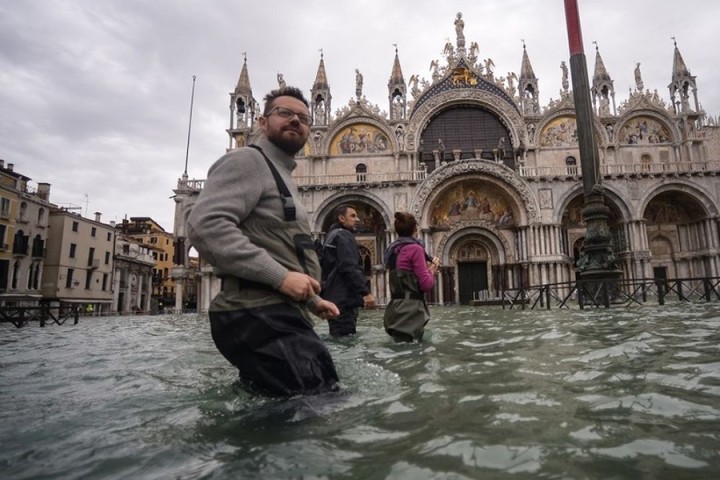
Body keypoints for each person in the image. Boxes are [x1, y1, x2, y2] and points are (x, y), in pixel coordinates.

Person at [186, 86, 341, 397]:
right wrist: (281, 278)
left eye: (303, 117)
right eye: (284, 113)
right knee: (318, 407)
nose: (295, 121)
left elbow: (282, 247)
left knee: (284, 408)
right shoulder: (248, 161)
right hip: (258, 314)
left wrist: (311, 300)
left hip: (274, 313)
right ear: (261, 121)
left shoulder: (281, 174)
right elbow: (205, 226)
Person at [320, 205, 376, 337]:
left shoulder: (331, 236)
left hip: (333, 299)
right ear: (341, 218)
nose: (357, 219)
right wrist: (365, 292)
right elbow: (349, 267)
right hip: (343, 300)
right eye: (353, 216)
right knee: (345, 340)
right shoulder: (344, 235)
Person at [383, 212, 439, 343]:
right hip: (411, 313)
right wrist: (432, 270)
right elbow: (426, 285)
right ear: (415, 229)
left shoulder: (392, 250)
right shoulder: (415, 249)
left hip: (394, 311)